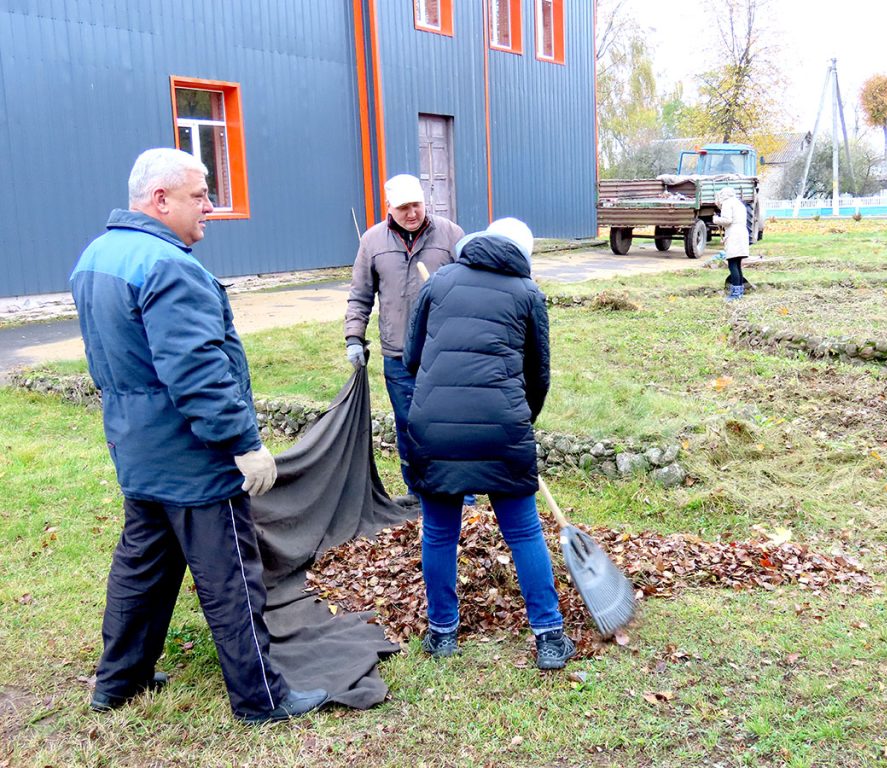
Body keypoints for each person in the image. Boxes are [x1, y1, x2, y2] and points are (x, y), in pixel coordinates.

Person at [70, 148, 327, 724]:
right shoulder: (169, 266)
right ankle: (263, 698)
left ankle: (119, 680)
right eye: (199, 195)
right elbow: (197, 370)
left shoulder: (97, 256)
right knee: (232, 578)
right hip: (194, 459)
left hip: (138, 449)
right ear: (160, 200)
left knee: (143, 568)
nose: (209, 206)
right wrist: (242, 442)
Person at [403, 218, 576, 670]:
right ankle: (549, 636)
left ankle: (442, 634)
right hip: (503, 426)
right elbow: (539, 376)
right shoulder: (528, 293)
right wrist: (518, 419)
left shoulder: (439, 281)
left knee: (440, 533)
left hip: (433, 426)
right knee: (523, 531)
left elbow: (410, 357)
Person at [345, 173, 466, 507]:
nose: (411, 213)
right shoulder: (372, 242)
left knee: (450, 424)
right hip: (398, 356)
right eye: (403, 208)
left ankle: (462, 494)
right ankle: (418, 494)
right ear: (389, 208)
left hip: (443, 353)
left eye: (416, 205)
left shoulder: (450, 235)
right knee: (409, 426)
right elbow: (360, 296)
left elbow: (471, 286)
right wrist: (354, 336)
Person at [712, 186, 750, 301]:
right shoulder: (739, 204)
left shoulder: (728, 203)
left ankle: (735, 294)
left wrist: (715, 219)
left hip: (734, 234)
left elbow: (727, 220)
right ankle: (739, 291)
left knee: (732, 264)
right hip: (742, 233)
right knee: (737, 264)